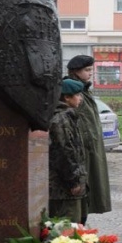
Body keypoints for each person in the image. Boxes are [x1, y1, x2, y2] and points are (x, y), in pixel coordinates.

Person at [67, 55, 111, 223]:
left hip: (91, 149)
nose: (90, 73)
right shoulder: (72, 92)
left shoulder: (84, 91)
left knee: (89, 193)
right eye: (87, 70)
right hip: (83, 152)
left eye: (91, 70)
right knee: (81, 196)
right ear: (75, 72)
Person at [48, 78, 87, 221]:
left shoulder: (67, 117)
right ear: (67, 97)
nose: (81, 99)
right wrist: (73, 181)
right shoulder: (61, 119)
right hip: (63, 189)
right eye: (77, 95)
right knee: (67, 229)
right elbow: (64, 152)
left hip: (64, 187)